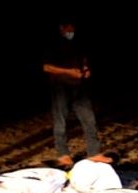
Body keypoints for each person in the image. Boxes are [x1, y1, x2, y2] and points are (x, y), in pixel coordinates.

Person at [42, 21, 111, 168]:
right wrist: (69, 72)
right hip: (60, 86)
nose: (71, 31)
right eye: (68, 28)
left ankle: (94, 152)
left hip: (79, 86)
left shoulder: (77, 43)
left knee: (89, 119)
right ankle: (63, 154)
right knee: (61, 121)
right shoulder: (52, 45)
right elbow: (46, 67)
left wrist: (86, 68)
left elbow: (83, 58)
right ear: (61, 28)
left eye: (73, 28)